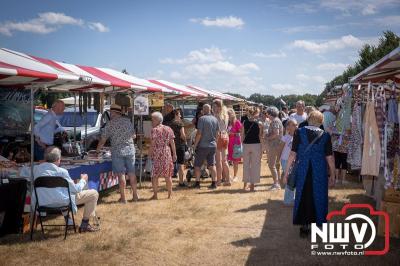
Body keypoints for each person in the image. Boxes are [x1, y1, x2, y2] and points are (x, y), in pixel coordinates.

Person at [283, 111, 335, 238]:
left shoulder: (299, 132)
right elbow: (329, 158)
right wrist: (333, 174)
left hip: (303, 169)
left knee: (303, 195)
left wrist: (286, 173)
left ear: (309, 119)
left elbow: (292, 154)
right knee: (318, 195)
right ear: (321, 121)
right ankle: (315, 223)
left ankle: (304, 226)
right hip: (319, 171)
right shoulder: (326, 136)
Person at [33, 146, 99, 233]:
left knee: (64, 192)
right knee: (93, 193)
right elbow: (76, 189)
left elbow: (22, 171)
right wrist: (83, 180)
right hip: (61, 202)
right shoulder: (62, 172)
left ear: (45, 158)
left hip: (42, 202)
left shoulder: (36, 169)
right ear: (58, 159)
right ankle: (85, 224)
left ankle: (70, 221)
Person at [96, 104, 138, 203]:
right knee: (132, 173)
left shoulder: (110, 123)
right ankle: (135, 196)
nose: (110, 114)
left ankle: (123, 198)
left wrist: (97, 150)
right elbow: (134, 136)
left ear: (114, 113)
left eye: (111, 112)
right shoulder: (128, 121)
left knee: (121, 174)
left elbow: (103, 139)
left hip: (117, 151)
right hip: (130, 150)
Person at [149, 112, 177, 199]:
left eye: (152, 119)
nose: (151, 122)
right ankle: (170, 194)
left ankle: (155, 195)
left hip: (157, 152)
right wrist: (174, 154)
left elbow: (153, 144)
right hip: (167, 152)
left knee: (155, 175)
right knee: (168, 175)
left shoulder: (154, 130)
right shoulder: (168, 128)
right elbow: (172, 143)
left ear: (157, 120)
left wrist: (149, 154)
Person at [193, 104, 219, 189]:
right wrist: (216, 142)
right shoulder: (215, 119)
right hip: (213, 145)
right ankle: (214, 183)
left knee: (197, 165)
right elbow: (217, 133)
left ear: (203, 110)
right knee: (212, 165)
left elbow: (199, 133)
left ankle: (197, 183)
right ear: (210, 109)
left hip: (203, 145)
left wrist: (195, 145)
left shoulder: (201, 119)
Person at [241, 107, 263, 192]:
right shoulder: (260, 123)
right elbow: (260, 136)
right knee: (255, 165)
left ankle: (245, 184)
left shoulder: (244, 122)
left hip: (246, 145)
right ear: (256, 113)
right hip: (256, 145)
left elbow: (242, 135)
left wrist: (243, 143)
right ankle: (252, 185)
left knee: (246, 165)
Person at [278, 119, 297, 205]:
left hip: (295, 161)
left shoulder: (299, 137)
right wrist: (278, 160)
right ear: (287, 127)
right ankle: (287, 200)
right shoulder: (285, 137)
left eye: (294, 125)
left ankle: (292, 199)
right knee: (289, 179)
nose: (293, 127)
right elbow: (280, 149)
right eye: (290, 125)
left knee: (293, 179)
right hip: (285, 160)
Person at [265, 107, 284, 190]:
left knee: (271, 165)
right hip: (277, 145)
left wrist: (267, 138)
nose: (266, 115)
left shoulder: (275, 121)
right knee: (275, 164)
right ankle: (277, 182)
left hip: (274, 145)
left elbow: (276, 133)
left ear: (269, 114)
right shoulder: (277, 120)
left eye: (267, 114)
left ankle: (276, 184)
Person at [213, 99, 230, 186]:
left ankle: (219, 181)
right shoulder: (225, 115)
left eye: (215, 106)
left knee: (218, 161)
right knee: (224, 160)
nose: (213, 108)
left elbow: (217, 129)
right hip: (226, 136)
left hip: (219, 137)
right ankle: (228, 180)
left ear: (218, 107)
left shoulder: (217, 116)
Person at [169, 109, 187, 187]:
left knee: (171, 164)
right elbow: (182, 135)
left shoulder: (169, 124)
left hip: (171, 146)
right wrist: (186, 140)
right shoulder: (180, 124)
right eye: (179, 114)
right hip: (180, 146)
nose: (180, 116)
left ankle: (169, 182)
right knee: (181, 164)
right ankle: (181, 182)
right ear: (176, 115)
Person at [227, 108, 242, 181]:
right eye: (227, 115)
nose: (228, 116)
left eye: (229, 114)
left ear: (232, 115)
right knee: (227, 160)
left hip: (235, 143)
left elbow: (241, 133)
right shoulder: (227, 123)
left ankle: (235, 176)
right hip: (227, 143)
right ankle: (227, 175)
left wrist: (233, 134)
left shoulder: (237, 122)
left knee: (235, 160)